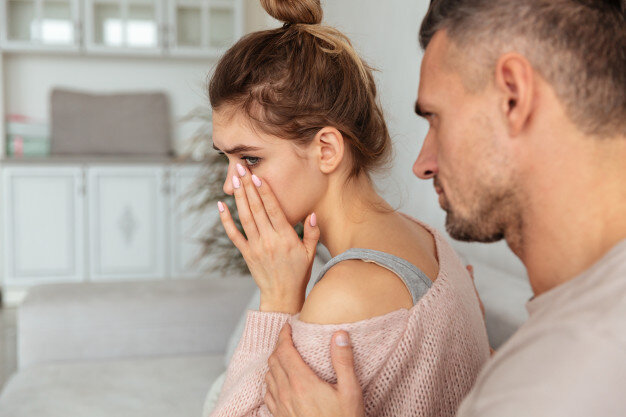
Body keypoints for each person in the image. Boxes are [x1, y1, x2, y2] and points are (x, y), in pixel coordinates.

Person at [263, 0, 626, 416]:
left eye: (436, 119)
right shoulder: (570, 341)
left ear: (514, 96)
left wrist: (276, 298)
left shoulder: (553, 383)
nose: (422, 164)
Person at [207, 0, 491, 416]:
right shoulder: (423, 237)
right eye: (226, 160)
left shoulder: (347, 295)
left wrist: (279, 300)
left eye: (249, 159)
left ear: (326, 150)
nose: (230, 184)